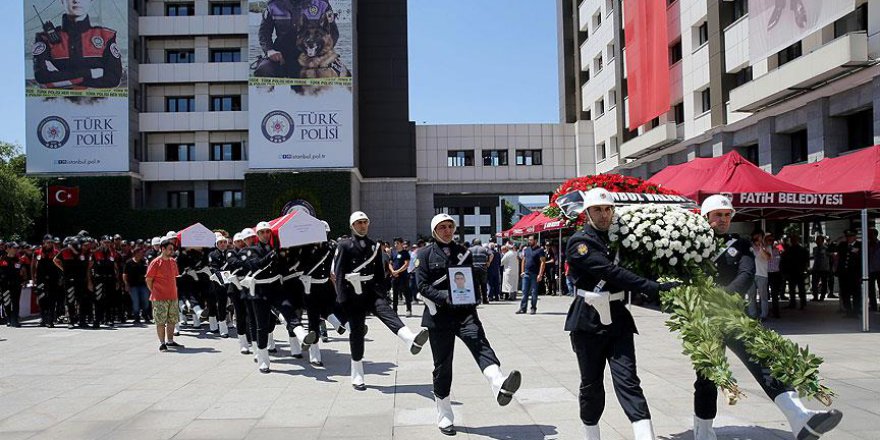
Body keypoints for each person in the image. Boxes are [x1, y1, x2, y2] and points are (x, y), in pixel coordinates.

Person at [694, 195, 842, 440]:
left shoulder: (740, 244)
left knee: (764, 362)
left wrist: (722, 299)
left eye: (727, 215)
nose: (723, 219)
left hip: (734, 316)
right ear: (706, 216)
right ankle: (703, 432)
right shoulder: (692, 243)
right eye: (718, 215)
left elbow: (746, 274)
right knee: (707, 376)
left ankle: (800, 418)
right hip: (705, 319)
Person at [564, 188, 676, 440]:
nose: (604, 215)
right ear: (587, 213)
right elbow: (609, 272)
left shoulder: (623, 238)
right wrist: (652, 288)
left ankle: (645, 435)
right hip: (588, 320)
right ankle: (591, 435)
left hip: (618, 320)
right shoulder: (579, 242)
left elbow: (641, 264)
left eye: (608, 209)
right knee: (591, 386)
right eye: (597, 210)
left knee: (629, 381)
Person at [416, 214, 522, 435]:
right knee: (443, 366)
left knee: (480, 344)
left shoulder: (463, 252)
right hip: (439, 315)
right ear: (434, 231)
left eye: (450, 226)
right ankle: (444, 414)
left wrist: (473, 295)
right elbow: (422, 285)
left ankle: (499, 383)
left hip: (464, 312)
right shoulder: (425, 254)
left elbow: (470, 279)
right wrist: (444, 297)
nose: (447, 230)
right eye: (442, 227)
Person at [333, 211, 429, 390]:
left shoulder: (374, 246)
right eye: (359, 223)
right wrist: (342, 299)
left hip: (371, 291)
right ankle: (357, 373)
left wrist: (382, 293)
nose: (363, 225)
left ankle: (409, 338)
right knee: (357, 333)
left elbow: (379, 273)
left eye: (365, 222)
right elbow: (339, 273)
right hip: (352, 293)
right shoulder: (344, 245)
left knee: (388, 312)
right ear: (352, 226)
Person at [32, 0, 123, 89]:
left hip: (97, 99)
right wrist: (90, 73)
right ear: (62, 1)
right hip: (57, 99)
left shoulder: (106, 36)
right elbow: (42, 77)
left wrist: (62, 80)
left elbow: (113, 79)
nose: (76, 1)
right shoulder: (44, 39)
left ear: (90, 1)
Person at [146, 237, 184, 352]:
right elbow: (149, 279)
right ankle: (162, 343)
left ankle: (170, 341)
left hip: (173, 296)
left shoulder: (173, 262)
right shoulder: (155, 262)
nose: (172, 251)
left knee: (172, 320)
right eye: (170, 249)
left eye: (172, 249)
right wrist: (154, 291)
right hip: (159, 297)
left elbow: (175, 277)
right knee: (160, 321)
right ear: (163, 249)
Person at [55, 236, 91, 329]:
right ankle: (71, 321)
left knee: (82, 300)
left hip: (81, 280)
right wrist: (64, 269)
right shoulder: (64, 251)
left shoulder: (84, 252)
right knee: (70, 300)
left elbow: (88, 265)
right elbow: (55, 260)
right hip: (69, 280)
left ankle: (82, 321)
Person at [89, 236, 119, 328]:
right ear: (101, 242)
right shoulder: (95, 253)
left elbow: (116, 268)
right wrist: (89, 281)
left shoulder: (113, 253)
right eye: (105, 242)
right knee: (98, 300)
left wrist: (117, 281)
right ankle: (97, 320)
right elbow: (89, 268)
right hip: (99, 280)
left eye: (108, 242)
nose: (107, 244)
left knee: (110, 300)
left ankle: (108, 319)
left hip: (110, 279)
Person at [33, 234, 62, 327]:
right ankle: (43, 318)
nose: (49, 244)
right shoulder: (37, 252)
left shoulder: (56, 252)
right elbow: (33, 266)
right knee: (42, 298)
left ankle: (51, 319)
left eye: (51, 242)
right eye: (47, 242)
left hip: (53, 278)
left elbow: (59, 266)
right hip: (41, 278)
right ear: (44, 242)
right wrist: (33, 278)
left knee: (52, 299)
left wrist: (60, 278)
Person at [207, 233, 231, 338]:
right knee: (213, 304)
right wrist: (223, 278)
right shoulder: (212, 255)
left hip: (227, 281)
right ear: (216, 244)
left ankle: (223, 328)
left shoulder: (230, 253)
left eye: (225, 242)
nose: (223, 244)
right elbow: (214, 269)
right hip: (215, 282)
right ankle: (214, 327)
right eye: (220, 242)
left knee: (223, 304)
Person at [835, 230, 862, 318]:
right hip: (844, 274)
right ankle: (848, 311)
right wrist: (837, 240)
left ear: (855, 237)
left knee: (856, 293)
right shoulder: (842, 245)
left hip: (855, 273)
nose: (849, 238)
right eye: (847, 236)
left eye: (851, 236)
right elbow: (831, 249)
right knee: (845, 293)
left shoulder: (860, 245)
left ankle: (856, 312)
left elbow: (863, 259)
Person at [517, 235, 545, 314]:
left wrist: (540, 274)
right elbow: (524, 260)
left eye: (531, 240)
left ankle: (533, 307)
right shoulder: (526, 249)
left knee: (534, 292)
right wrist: (522, 271)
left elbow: (543, 262)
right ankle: (523, 308)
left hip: (535, 274)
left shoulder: (540, 250)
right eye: (529, 240)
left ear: (535, 241)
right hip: (526, 273)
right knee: (524, 291)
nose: (529, 241)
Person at [0, 243, 26, 327]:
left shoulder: (18, 259)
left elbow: (22, 271)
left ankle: (15, 320)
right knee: (7, 302)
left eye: (17, 248)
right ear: (9, 249)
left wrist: (23, 280)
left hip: (16, 284)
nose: (16, 250)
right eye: (14, 248)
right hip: (5, 285)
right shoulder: (2, 259)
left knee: (15, 302)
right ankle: (8, 319)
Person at [781, 235, 810, 310]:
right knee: (798, 288)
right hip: (796, 271)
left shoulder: (790, 250)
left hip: (794, 271)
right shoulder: (799, 250)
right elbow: (806, 260)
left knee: (795, 289)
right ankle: (800, 303)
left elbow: (784, 261)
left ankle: (796, 303)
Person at [123, 247, 149, 324]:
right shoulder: (129, 262)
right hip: (133, 286)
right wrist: (126, 284)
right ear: (136, 253)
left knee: (146, 301)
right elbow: (124, 274)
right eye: (140, 252)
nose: (142, 254)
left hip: (143, 285)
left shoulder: (144, 262)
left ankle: (145, 314)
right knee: (135, 302)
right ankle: (136, 317)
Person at [749, 230, 770, 320]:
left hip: (762, 274)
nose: (758, 239)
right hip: (751, 274)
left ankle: (764, 314)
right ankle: (752, 314)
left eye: (760, 237)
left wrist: (761, 247)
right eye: (756, 237)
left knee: (763, 296)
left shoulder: (767, 247)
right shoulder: (750, 247)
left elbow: (767, 257)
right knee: (751, 295)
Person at [389, 237, 412, 316]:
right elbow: (390, 263)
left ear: (402, 244)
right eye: (395, 243)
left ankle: (408, 309)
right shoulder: (393, 252)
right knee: (395, 294)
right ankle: (394, 310)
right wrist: (392, 271)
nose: (396, 245)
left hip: (403, 276)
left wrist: (397, 271)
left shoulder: (405, 253)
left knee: (406, 293)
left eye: (397, 243)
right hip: (394, 276)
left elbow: (406, 265)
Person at [468, 239, 492, 305]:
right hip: (483, 269)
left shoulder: (470, 249)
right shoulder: (485, 249)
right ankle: (485, 299)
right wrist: (488, 262)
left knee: (475, 285)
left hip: (473, 269)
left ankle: (477, 299)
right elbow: (491, 254)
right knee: (483, 284)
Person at [766, 233, 784, 318]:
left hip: (776, 273)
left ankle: (776, 311)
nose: (771, 242)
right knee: (765, 294)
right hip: (766, 273)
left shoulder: (778, 247)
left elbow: (784, 254)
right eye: (769, 240)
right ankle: (765, 311)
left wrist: (779, 245)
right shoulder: (764, 248)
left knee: (775, 294)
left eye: (772, 240)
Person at [810, 235, 832, 302]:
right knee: (814, 283)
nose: (817, 241)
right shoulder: (815, 249)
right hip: (816, 268)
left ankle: (822, 296)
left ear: (822, 241)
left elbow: (830, 256)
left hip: (824, 268)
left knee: (824, 283)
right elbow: (814, 256)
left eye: (819, 240)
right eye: (817, 240)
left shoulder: (826, 248)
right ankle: (815, 296)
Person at [867, 228, 879, 312]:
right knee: (871, 289)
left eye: (871, 234)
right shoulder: (867, 245)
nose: (869, 236)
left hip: (879, 269)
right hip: (870, 270)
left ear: (875, 235)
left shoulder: (879, 244)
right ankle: (873, 306)